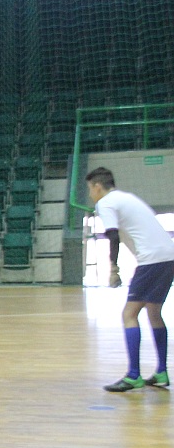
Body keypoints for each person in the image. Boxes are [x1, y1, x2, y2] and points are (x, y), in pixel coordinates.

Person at [87, 167, 174, 392]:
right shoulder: (128, 198)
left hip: (151, 260)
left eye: (90, 189)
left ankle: (134, 375)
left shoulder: (105, 203)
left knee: (129, 314)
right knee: (154, 312)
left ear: (97, 187)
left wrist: (113, 268)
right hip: (168, 256)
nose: (90, 194)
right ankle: (161, 372)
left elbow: (113, 235)